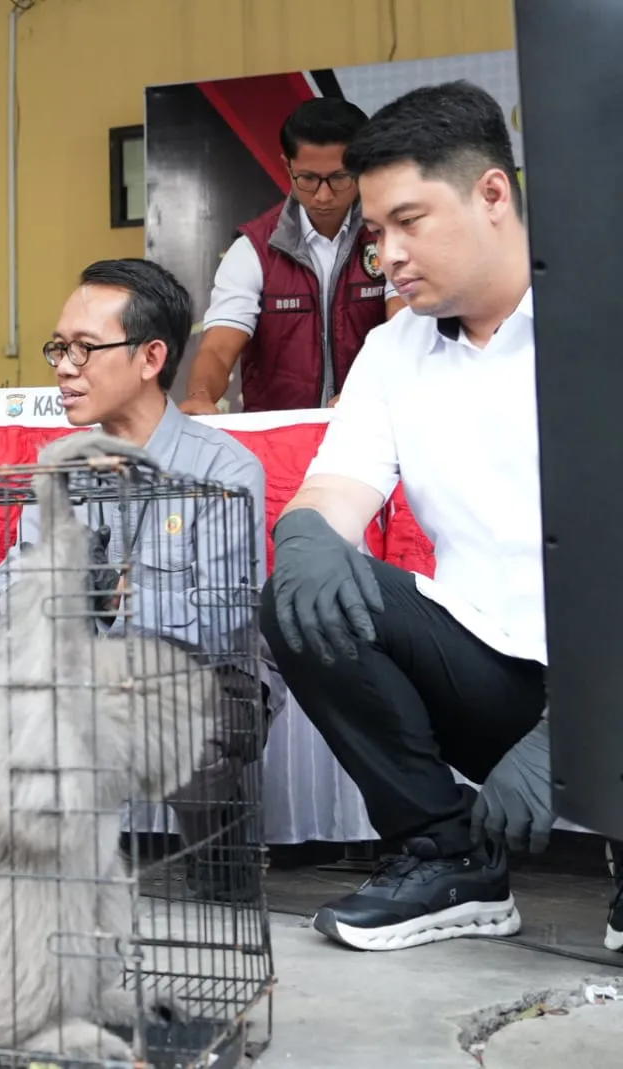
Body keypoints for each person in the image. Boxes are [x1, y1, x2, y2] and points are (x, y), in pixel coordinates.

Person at [256, 81, 620, 953]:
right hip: (495, 672)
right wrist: (301, 537)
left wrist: (574, 729)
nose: (386, 256)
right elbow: (335, 489)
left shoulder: (600, 320)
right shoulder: (394, 350)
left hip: (607, 678)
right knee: (305, 594)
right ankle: (448, 855)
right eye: (375, 233)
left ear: (492, 193)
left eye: (408, 221)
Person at [0, 258, 271, 902]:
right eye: (58, 347)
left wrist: (93, 604)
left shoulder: (224, 468)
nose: (63, 365)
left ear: (150, 358)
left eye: (85, 349)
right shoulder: (58, 470)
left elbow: (218, 620)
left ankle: (215, 836)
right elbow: (12, 599)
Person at [182, 98, 403, 415]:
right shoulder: (254, 249)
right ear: (288, 166)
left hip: (370, 424)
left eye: (339, 177)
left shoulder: (390, 236)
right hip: (278, 439)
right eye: (308, 179)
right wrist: (201, 395)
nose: (323, 195)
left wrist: (365, 392)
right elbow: (218, 347)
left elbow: (403, 330)